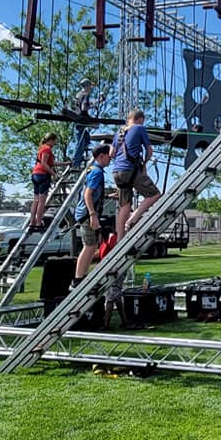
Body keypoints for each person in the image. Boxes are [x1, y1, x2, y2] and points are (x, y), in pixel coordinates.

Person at [111, 108, 161, 239]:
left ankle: (120, 239)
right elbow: (149, 150)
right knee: (154, 195)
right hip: (130, 170)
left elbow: (112, 153)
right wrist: (144, 163)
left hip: (116, 171)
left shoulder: (119, 132)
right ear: (140, 120)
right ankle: (133, 219)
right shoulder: (140, 128)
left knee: (124, 206)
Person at [70, 143, 112, 290]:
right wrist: (92, 214)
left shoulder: (92, 169)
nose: (110, 159)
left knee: (92, 245)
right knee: (89, 246)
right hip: (87, 214)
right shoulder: (97, 172)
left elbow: (93, 193)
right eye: (109, 156)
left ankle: (82, 276)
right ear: (101, 156)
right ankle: (77, 280)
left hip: (85, 212)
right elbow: (88, 194)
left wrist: (108, 195)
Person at [30, 132, 58, 230]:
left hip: (35, 174)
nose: (55, 143)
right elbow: (44, 164)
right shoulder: (47, 149)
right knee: (42, 201)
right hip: (43, 175)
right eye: (55, 141)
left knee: (36, 200)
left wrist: (64, 163)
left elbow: (51, 163)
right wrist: (54, 174)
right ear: (51, 140)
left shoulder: (42, 148)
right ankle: (38, 223)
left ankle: (32, 222)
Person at [72, 79, 96, 165]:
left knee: (86, 139)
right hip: (82, 120)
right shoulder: (85, 94)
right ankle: (76, 162)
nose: (91, 88)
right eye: (90, 86)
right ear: (87, 86)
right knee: (81, 142)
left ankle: (79, 156)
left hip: (78, 119)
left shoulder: (78, 94)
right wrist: (92, 106)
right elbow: (84, 108)